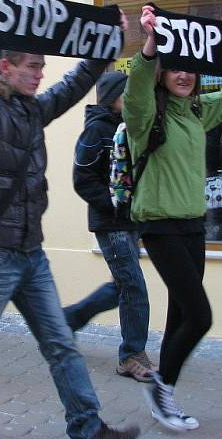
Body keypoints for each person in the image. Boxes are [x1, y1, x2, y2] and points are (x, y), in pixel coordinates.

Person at [0, 0, 139, 439]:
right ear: (6, 66)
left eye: (43, 66)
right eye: (33, 66)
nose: (41, 74)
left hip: (31, 253)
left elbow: (73, 85)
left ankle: (87, 427)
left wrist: (105, 47)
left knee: (61, 344)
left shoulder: (31, 112)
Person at [127, 4, 222, 431]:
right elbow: (137, 85)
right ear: (163, 73)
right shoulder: (144, 116)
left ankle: (162, 395)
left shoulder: (196, 112)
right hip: (160, 226)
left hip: (193, 226)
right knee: (201, 315)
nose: (184, 75)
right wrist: (151, 45)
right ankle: (162, 387)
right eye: (176, 68)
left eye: (190, 69)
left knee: (180, 314)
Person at [63, 71, 154, 382]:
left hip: (131, 221)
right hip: (110, 222)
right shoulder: (96, 132)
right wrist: (113, 202)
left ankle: (68, 320)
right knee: (134, 287)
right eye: (126, 94)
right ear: (113, 96)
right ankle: (131, 355)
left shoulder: (130, 128)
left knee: (122, 286)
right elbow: (82, 180)